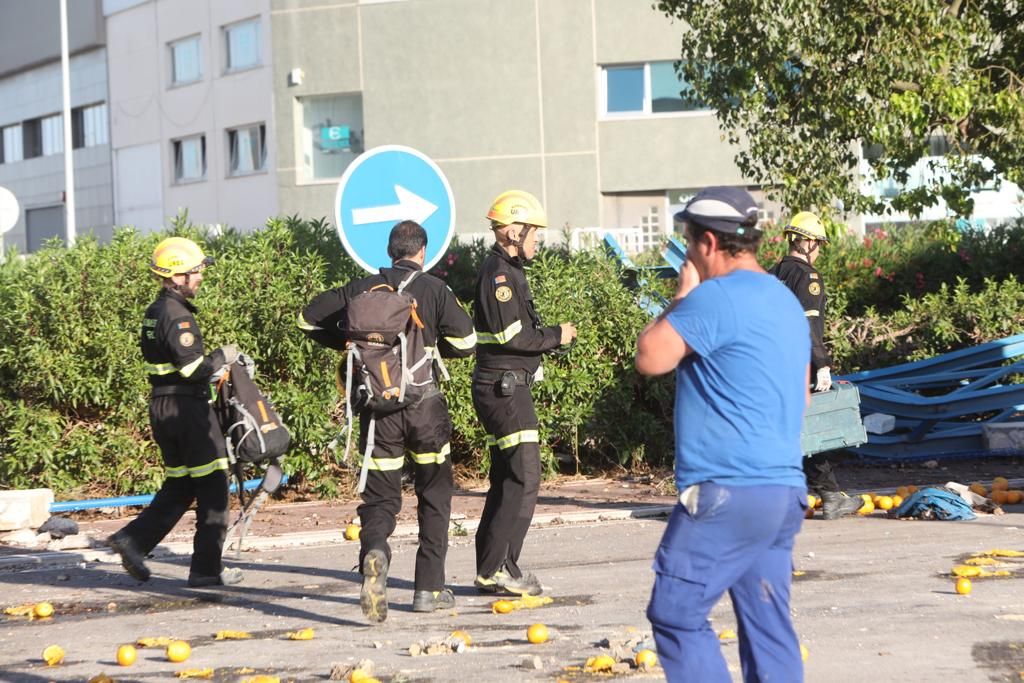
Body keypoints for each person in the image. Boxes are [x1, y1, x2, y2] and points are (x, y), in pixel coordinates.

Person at [635, 187, 809, 682]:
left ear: (709, 242)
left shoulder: (713, 297)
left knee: (676, 614)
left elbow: (650, 357)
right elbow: (803, 398)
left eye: (689, 244)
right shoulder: (784, 299)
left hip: (726, 493)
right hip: (782, 492)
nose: (688, 255)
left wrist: (682, 296)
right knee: (768, 626)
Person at [298, 220, 476, 623]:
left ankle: (375, 551)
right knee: (434, 495)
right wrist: (433, 348)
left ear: (389, 250)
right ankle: (429, 589)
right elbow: (467, 343)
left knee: (380, 498)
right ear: (422, 252)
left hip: (378, 413)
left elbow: (307, 320)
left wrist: (347, 341)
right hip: (425, 408)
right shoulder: (434, 289)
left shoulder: (362, 287)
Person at [107, 237, 242, 588]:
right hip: (187, 410)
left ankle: (134, 541)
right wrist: (223, 355)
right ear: (178, 276)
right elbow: (192, 369)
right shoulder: (177, 315)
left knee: (182, 483)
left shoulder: (155, 311)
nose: (201, 277)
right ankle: (205, 571)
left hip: (164, 408)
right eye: (196, 272)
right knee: (214, 486)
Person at [471, 190, 576, 597]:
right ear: (514, 231)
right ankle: (502, 568)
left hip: (506, 387)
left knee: (507, 479)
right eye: (534, 233)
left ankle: (490, 569)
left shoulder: (507, 270)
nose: (537, 240)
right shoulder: (499, 275)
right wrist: (557, 336)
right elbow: (510, 334)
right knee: (524, 477)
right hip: (505, 390)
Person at [770, 212, 862, 520]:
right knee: (810, 430)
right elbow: (805, 323)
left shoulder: (775, 273)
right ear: (807, 243)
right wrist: (821, 363)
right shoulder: (806, 277)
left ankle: (828, 496)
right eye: (819, 243)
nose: (820, 249)